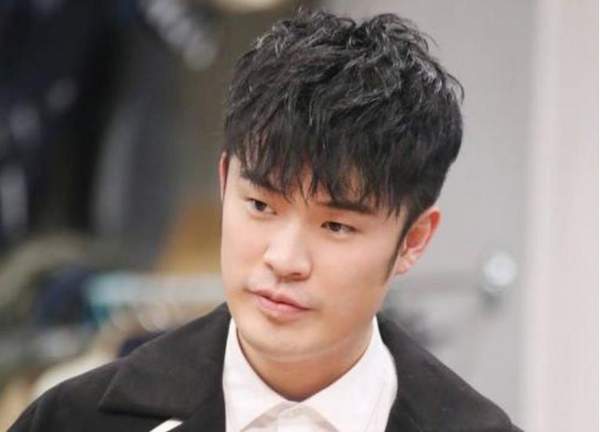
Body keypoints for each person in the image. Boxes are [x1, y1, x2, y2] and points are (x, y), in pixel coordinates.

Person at [9, 9, 521, 432]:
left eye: (336, 226)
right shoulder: (73, 420)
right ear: (225, 181)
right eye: (260, 206)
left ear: (413, 240)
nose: (284, 259)